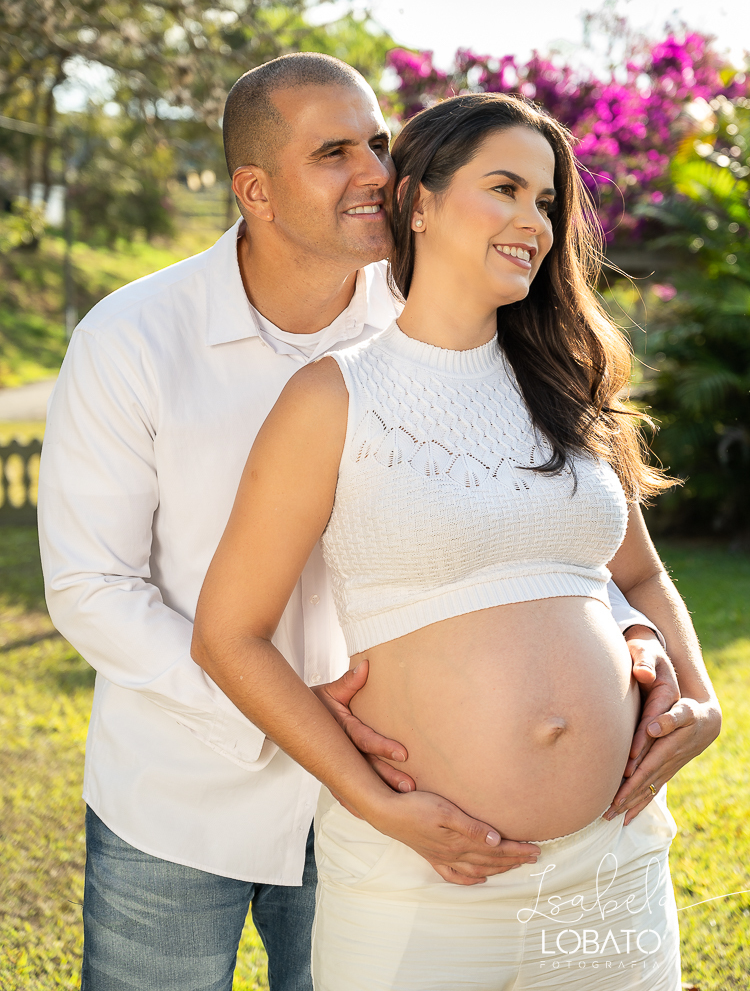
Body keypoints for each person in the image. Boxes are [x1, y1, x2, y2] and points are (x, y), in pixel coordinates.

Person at [39, 56, 699, 991]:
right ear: (254, 190)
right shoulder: (133, 338)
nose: (374, 172)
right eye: (334, 152)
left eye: (379, 143)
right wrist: (304, 720)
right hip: (193, 784)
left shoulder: (449, 317)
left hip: (412, 799)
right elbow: (90, 587)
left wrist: (634, 639)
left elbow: (550, 536)